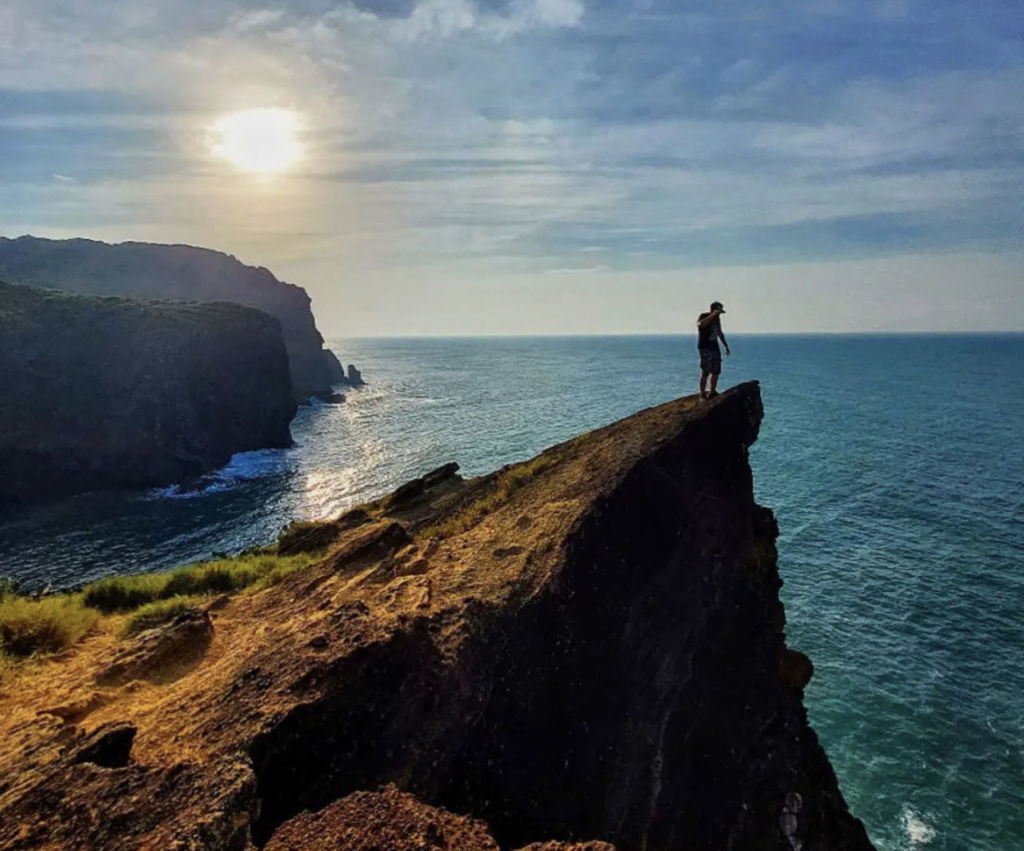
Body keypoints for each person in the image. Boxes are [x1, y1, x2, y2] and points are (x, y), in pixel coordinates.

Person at [697, 300, 731, 399]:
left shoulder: (717, 320)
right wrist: (712, 315)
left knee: (716, 371)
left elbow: (719, 333)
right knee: (705, 371)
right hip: (705, 347)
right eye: (719, 312)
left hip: (714, 347)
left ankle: (712, 391)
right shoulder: (704, 316)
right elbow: (701, 324)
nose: (719, 314)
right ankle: (702, 394)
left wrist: (726, 346)